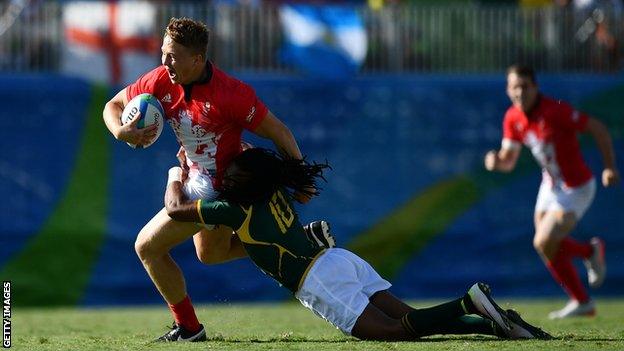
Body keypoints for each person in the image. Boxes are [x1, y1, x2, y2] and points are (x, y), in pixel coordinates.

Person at [164, 147, 552, 340]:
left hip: (319, 280)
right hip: (337, 259)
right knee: (411, 321)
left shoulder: (235, 207)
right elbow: (250, 159)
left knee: (393, 332)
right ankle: (493, 324)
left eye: (230, 175)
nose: (225, 177)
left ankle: (468, 302)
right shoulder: (268, 188)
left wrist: (176, 171)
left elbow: (176, 208)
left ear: (242, 183)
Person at [102, 17, 327, 341]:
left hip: (218, 187)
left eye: (173, 56)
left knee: (147, 247)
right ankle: (297, 240)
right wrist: (120, 131)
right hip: (200, 177)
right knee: (211, 254)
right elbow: (114, 104)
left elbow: (279, 132)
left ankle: (188, 329)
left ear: (198, 59)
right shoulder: (162, 80)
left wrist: (303, 181)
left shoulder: (231, 93)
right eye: (164, 53)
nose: (165, 62)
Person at [484, 64, 620, 319]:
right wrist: (495, 161)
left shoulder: (555, 111)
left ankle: (590, 254)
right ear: (507, 90)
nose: (520, 93)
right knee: (546, 246)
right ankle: (583, 300)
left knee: (542, 241)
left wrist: (610, 168)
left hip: (577, 186)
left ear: (535, 87)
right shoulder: (512, 117)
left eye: (525, 86)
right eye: (514, 87)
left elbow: (598, 128)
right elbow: (508, 160)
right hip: (550, 185)